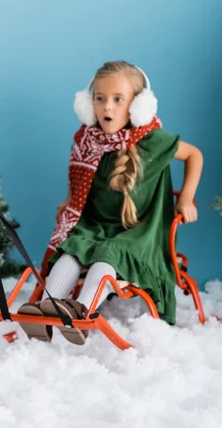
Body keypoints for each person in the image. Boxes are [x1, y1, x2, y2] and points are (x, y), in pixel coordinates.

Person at [18, 61, 203, 345]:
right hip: (96, 225)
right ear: (88, 103)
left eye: (118, 99)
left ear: (138, 105)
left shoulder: (153, 139)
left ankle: (81, 313)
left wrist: (187, 198)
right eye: (100, 98)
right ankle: (49, 306)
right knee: (71, 251)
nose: (107, 107)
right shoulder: (87, 140)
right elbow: (80, 177)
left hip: (139, 234)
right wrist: (70, 199)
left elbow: (194, 155)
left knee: (108, 255)